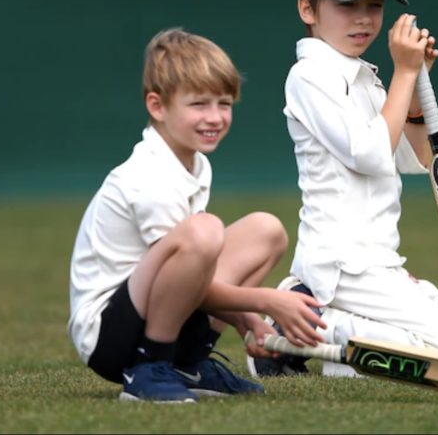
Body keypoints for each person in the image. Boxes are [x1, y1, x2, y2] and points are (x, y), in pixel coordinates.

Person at [248, 0, 438, 378]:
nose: (363, 20)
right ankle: (292, 332)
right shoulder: (309, 74)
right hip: (343, 264)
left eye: (374, 6)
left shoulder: (367, 80)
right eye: (346, 5)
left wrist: (413, 90)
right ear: (307, 10)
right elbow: (371, 154)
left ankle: (306, 326)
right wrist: (405, 72)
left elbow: (414, 157)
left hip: (377, 261)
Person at [67, 28, 325, 402]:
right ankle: (148, 367)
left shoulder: (195, 164)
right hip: (109, 337)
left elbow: (190, 278)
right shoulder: (150, 176)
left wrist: (245, 321)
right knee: (204, 232)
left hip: (153, 307)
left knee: (266, 231)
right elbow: (188, 275)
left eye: (224, 103)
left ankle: (188, 363)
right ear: (157, 107)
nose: (215, 117)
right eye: (199, 104)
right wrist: (266, 303)